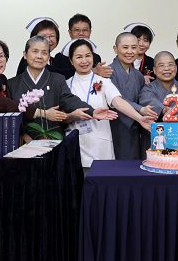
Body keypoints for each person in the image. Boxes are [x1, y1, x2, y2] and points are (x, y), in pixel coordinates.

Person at [7, 36, 117, 141]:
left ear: (48, 57)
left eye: (44, 53)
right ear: (25, 54)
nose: (39, 56)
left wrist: (92, 111)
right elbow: (10, 116)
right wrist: (23, 136)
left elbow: (69, 99)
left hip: (55, 141)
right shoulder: (12, 84)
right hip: (25, 143)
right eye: (35, 51)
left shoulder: (57, 79)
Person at [65, 38, 151, 171]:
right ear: (71, 61)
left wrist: (139, 118)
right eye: (79, 57)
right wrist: (73, 116)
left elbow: (118, 101)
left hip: (100, 145)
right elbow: (62, 117)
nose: (84, 61)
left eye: (88, 56)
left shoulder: (103, 81)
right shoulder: (65, 84)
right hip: (75, 144)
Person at [109, 32, 158, 159]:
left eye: (134, 47)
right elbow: (117, 100)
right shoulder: (108, 72)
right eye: (125, 47)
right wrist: (140, 109)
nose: (130, 52)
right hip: (115, 124)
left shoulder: (138, 75)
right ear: (115, 49)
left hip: (136, 125)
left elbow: (141, 98)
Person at [57, 14, 110, 79]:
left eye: (85, 30)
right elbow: (60, 77)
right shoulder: (59, 57)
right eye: (77, 30)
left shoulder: (96, 57)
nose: (81, 33)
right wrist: (91, 71)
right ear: (70, 33)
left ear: (90, 32)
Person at [138, 51, 178, 118]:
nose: (166, 68)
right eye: (161, 65)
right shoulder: (147, 89)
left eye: (170, 65)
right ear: (154, 70)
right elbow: (148, 101)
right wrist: (163, 109)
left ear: (176, 68)